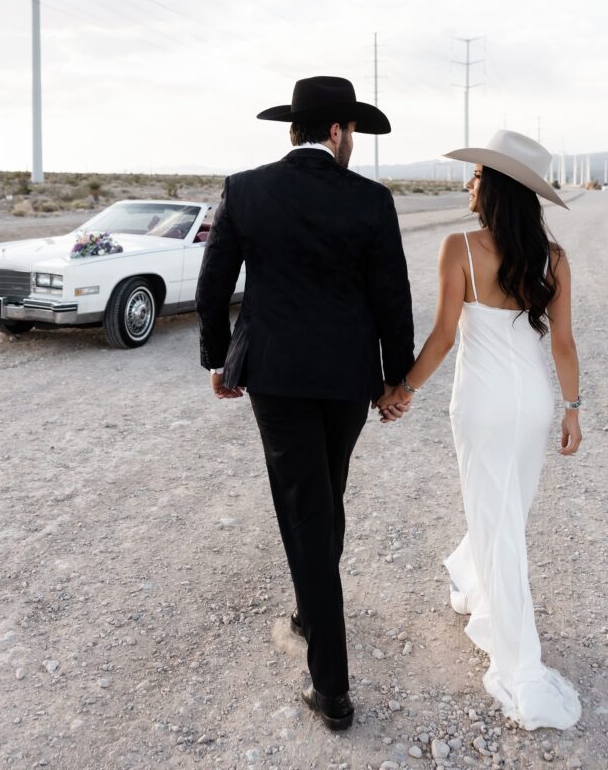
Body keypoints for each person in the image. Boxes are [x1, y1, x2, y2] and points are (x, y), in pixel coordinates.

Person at [196, 76, 414, 731]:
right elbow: (392, 298)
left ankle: (332, 687)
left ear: (296, 128)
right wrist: (394, 377)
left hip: (276, 377)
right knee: (324, 496)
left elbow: (213, 286)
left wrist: (216, 357)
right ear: (338, 131)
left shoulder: (245, 188)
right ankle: (308, 609)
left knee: (305, 507)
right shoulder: (371, 200)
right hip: (347, 378)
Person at [378, 130, 582, 731]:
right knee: (506, 515)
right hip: (535, 404)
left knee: (499, 520)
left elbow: (443, 337)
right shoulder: (554, 256)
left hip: (483, 406)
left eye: (477, 176)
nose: (470, 183)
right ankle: (481, 587)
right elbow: (564, 343)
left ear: (494, 188)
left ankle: (521, 660)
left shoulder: (460, 248)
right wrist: (573, 408)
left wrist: (403, 391)